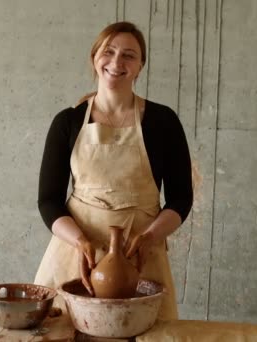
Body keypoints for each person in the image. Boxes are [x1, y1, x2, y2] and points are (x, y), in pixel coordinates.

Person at [34, 21, 192, 320]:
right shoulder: (67, 121)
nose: (117, 62)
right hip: (77, 253)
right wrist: (79, 242)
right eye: (109, 51)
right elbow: (48, 200)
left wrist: (148, 238)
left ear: (140, 65)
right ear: (95, 57)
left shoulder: (163, 121)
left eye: (129, 55)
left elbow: (181, 199)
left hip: (140, 254)